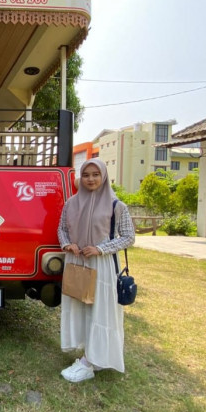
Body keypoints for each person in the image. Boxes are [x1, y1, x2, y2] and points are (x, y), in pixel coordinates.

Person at [57, 158, 135, 382]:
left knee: (100, 311)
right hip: (77, 261)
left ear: (104, 177)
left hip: (101, 265)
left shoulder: (116, 205)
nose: (91, 179)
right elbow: (62, 228)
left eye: (96, 174)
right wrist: (67, 244)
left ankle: (91, 361)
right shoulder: (72, 203)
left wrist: (101, 249)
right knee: (80, 307)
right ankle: (89, 354)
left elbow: (129, 237)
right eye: (87, 175)